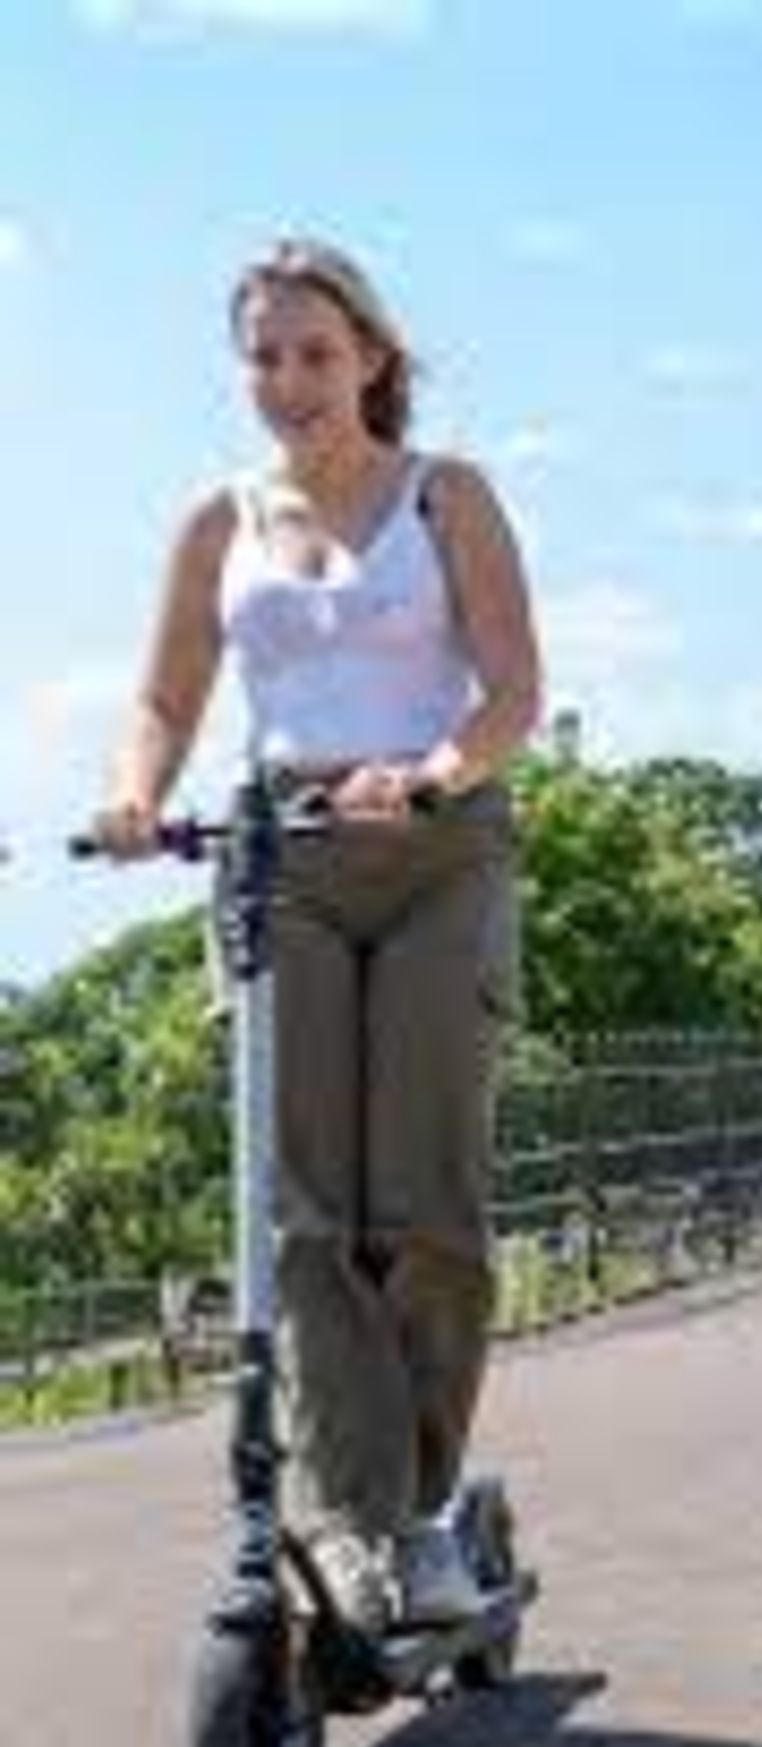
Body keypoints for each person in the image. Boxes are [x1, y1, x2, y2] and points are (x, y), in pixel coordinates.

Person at [93, 238, 543, 1633]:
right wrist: (134, 796)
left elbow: (515, 693)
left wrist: (430, 772)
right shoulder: (216, 522)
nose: (289, 382)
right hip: (279, 850)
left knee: (425, 1209)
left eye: (315, 354)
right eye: (265, 357)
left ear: (372, 361)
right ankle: (350, 1526)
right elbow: (165, 696)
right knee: (300, 1219)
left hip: (431, 847)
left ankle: (417, 1516)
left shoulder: (446, 495)